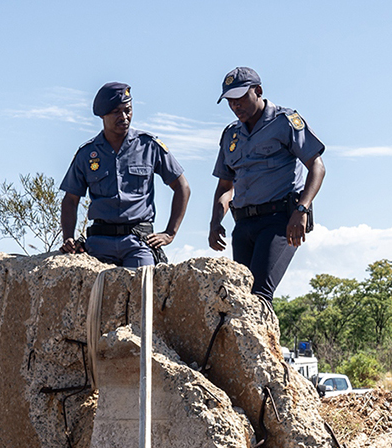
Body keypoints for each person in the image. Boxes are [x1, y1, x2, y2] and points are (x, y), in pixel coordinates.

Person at [207, 67, 325, 300]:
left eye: (240, 98)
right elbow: (224, 187)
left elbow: (317, 167)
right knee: (240, 297)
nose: (235, 106)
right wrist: (214, 222)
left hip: (279, 222)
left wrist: (301, 210)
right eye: (230, 101)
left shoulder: (285, 122)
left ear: (258, 91)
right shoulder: (230, 134)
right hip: (243, 225)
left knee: (259, 294)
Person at [59, 83, 189, 269]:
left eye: (127, 110)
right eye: (116, 112)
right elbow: (70, 200)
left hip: (138, 242)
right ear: (102, 115)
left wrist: (170, 233)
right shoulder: (87, 154)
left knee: (143, 293)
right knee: (96, 296)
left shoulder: (149, 146)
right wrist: (68, 238)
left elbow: (182, 186)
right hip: (99, 244)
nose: (124, 117)